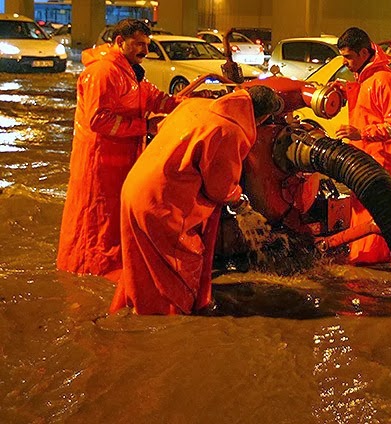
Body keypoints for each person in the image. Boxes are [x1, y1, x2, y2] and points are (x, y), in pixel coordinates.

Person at [109, 85, 282, 315]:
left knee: (141, 265)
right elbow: (219, 188)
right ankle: (170, 324)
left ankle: (135, 312)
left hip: (135, 188)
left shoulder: (195, 105)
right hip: (164, 203)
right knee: (179, 269)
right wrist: (240, 203)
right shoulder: (229, 130)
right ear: (260, 118)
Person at [57, 19, 179, 281]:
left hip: (121, 159)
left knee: (111, 217)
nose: (144, 50)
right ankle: (92, 267)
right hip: (99, 161)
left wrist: (184, 103)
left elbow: (155, 98)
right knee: (97, 216)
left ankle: (109, 264)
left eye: (147, 45)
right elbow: (98, 120)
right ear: (119, 42)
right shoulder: (103, 73)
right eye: (138, 44)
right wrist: (144, 125)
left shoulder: (131, 72)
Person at [334, 27, 391, 265]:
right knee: (363, 218)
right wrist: (345, 91)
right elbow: (368, 109)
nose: (345, 63)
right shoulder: (367, 79)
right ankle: (364, 261)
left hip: (382, 165)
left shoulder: (386, 81)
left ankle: (370, 267)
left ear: (364, 52)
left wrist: (361, 133)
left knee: (377, 222)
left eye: (349, 57)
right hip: (366, 163)